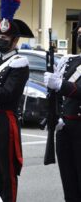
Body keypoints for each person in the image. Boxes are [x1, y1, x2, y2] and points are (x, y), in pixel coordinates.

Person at [0, 0, 34, 202]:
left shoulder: (19, 63)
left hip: (5, 121)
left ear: (15, 40)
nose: (1, 40)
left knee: (7, 170)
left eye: (5, 38)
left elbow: (9, 94)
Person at [44, 13, 81, 201]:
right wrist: (56, 114)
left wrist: (60, 85)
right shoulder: (70, 61)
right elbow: (56, 95)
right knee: (69, 184)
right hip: (65, 130)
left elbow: (72, 89)